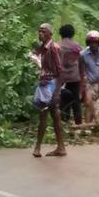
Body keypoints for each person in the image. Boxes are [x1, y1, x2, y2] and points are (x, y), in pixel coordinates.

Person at [32, 23, 67, 157]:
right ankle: (60, 147)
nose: (40, 34)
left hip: (51, 85)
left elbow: (60, 71)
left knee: (45, 115)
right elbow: (35, 57)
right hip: (45, 84)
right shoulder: (43, 48)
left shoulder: (54, 48)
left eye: (43, 32)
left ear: (50, 34)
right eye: (39, 31)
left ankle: (38, 148)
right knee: (53, 116)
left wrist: (56, 92)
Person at [57, 24, 85, 129]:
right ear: (72, 33)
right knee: (75, 101)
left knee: (63, 101)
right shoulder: (77, 47)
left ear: (60, 33)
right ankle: (79, 125)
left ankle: (65, 123)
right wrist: (82, 78)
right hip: (75, 77)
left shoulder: (57, 46)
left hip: (61, 79)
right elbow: (82, 63)